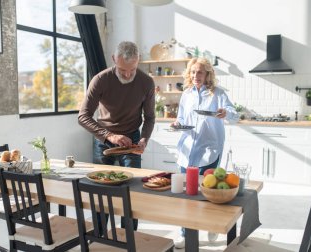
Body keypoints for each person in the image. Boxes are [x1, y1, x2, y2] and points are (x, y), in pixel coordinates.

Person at [78, 41, 155, 231]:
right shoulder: (101, 80)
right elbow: (83, 116)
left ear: (138, 61)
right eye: (122, 70)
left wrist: (144, 139)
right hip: (104, 140)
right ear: (114, 59)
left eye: (132, 70)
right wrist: (110, 136)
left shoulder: (146, 82)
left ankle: (128, 237)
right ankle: (100, 234)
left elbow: (150, 117)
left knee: (131, 192)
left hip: (132, 140)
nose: (128, 75)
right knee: (101, 190)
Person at [171, 57, 239, 248]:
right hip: (187, 150)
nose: (195, 76)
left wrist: (226, 113)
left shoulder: (218, 94)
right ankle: (185, 233)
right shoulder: (186, 94)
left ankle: (211, 226)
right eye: (193, 72)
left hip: (209, 150)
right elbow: (182, 118)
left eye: (199, 72)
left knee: (208, 192)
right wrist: (177, 125)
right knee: (186, 193)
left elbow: (234, 115)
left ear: (207, 74)